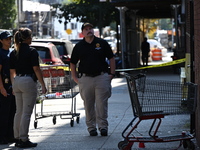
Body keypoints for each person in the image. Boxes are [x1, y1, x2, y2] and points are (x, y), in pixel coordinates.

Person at [70, 23, 115, 136]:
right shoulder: (79, 46)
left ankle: (103, 127)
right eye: (86, 29)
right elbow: (73, 63)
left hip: (101, 77)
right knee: (88, 104)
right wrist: (75, 77)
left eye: (91, 28)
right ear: (83, 32)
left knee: (101, 104)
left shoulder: (102, 43)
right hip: (85, 78)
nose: (89, 31)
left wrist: (111, 74)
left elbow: (111, 58)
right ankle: (91, 128)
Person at [9, 28, 47, 148]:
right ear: (28, 38)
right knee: (26, 112)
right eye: (31, 36)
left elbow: (11, 71)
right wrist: (43, 84)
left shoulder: (14, 51)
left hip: (17, 80)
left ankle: (18, 137)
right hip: (28, 81)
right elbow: (36, 69)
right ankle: (24, 139)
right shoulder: (32, 51)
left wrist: (13, 84)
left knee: (19, 111)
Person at [0, 31, 16, 144]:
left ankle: (11, 135)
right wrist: (1, 88)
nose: (9, 41)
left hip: (12, 86)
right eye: (6, 39)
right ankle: (2, 136)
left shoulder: (12, 52)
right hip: (3, 86)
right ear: (1, 41)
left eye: (10, 38)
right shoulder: (0, 53)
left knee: (12, 112)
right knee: (3, 113)